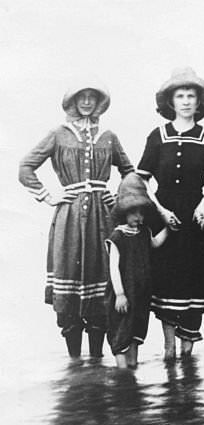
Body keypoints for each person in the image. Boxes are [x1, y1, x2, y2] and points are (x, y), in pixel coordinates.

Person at [19, 81, 134, 359]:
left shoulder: (108, 136)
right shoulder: (58, 134)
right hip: (68, 219)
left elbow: (129, 172)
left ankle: (96, 361)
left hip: (101, 219)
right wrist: (49, 196)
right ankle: (74, 367)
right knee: (69, 290)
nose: (86, 102)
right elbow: (25, 167)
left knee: (101, 285)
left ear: (98, 103)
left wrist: (118, 200)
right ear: (71, 102)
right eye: (80, 97)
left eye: (91, 97)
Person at [138, 67, 204, 359]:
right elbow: (142, 179)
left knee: (197, 276)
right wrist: (159, 210)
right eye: (180, 96)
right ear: (170, 102)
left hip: (195, 218)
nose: (186, 101)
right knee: (165, 278)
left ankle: (188, 351)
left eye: (191, 96)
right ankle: (169, 348)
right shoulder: (157, 136)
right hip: (164, 215)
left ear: (199, 103)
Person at [106, 173, 170, 369]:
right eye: (133, 212)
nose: (138, 217)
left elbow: (156, 243)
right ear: (124, 212)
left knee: (136, 330)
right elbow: (113, 268)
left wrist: (168, 227)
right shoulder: (117, 236)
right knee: (120, 332)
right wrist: (119, 294)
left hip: (140, 294)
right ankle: (122, 374)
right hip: (124, 294)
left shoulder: (144, 232)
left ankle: (132, 368)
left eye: (141, 212)